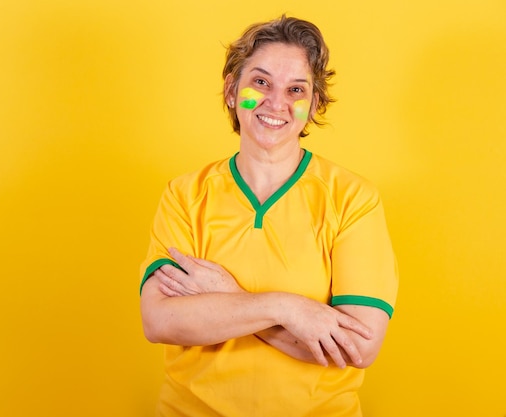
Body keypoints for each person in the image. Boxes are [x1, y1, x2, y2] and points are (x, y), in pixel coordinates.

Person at [139, 15, 398, 417]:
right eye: (260, 82)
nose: (276, 102)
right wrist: (289, 310)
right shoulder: (185, 195)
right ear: (231, 90)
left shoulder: (353, 199)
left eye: (296, 89)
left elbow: (357, 346)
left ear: (313, 105)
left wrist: (231, 298)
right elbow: (160, 320)